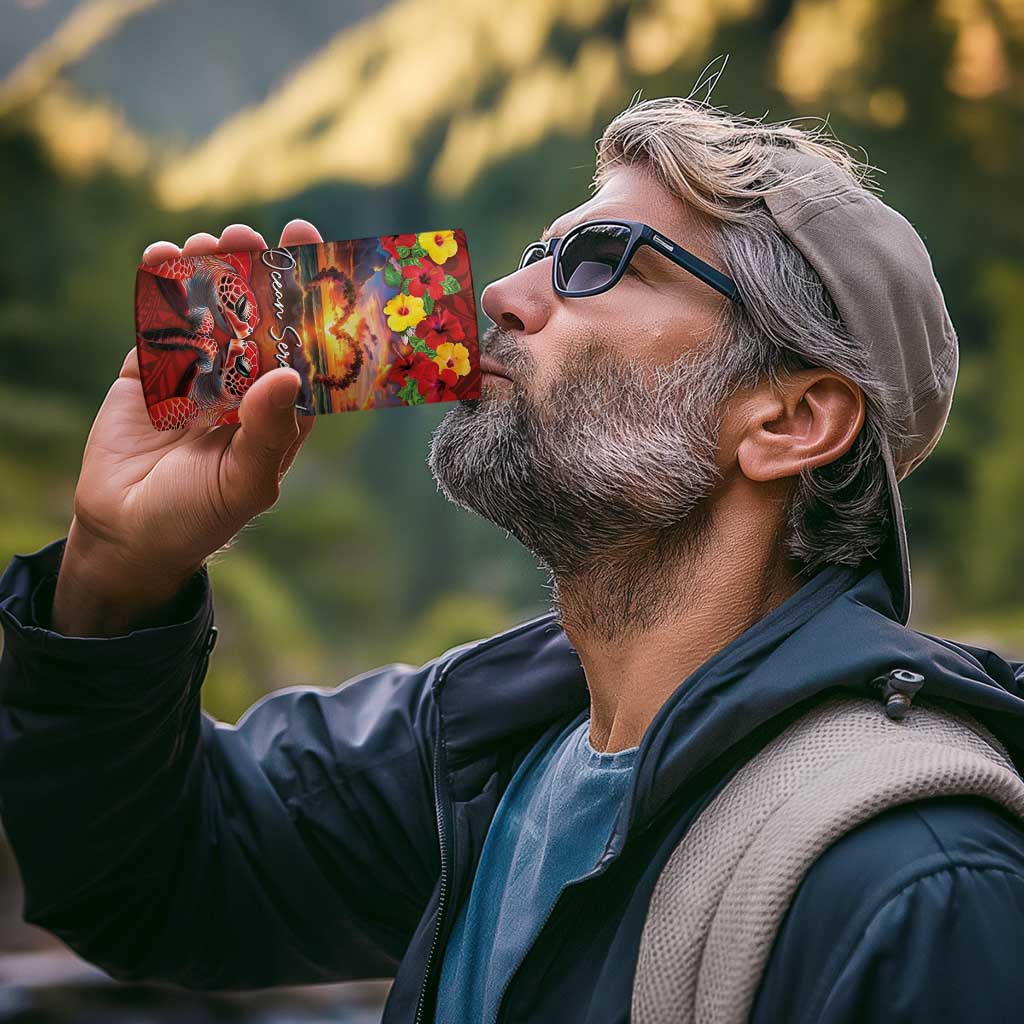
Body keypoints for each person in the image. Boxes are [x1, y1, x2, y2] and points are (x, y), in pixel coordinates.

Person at [2, 95, 1024, 1024]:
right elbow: (148, 879)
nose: (500, 292)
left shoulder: (918, 885)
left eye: (599, 261)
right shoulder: (479, 749)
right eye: (540, 252)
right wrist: (115, 571)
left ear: (791, 419)